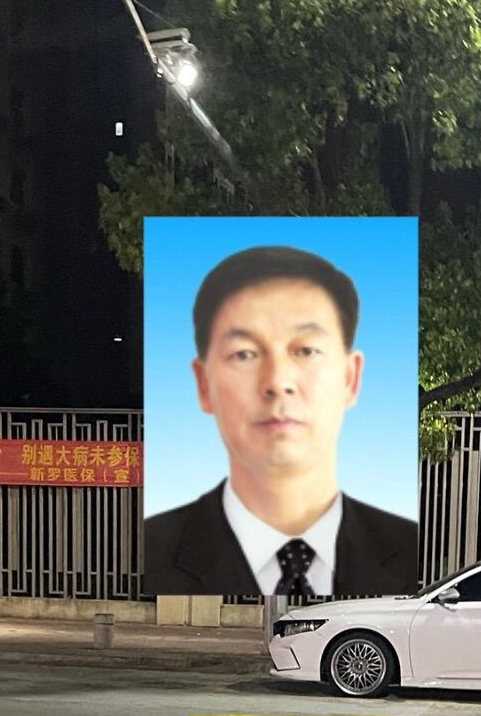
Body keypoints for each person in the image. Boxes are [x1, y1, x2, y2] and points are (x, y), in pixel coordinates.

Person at [143, 243, 418, 598]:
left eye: (307, 350)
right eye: (245, 354)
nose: (277, 381)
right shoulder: (158, 551)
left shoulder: (405, 548)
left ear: (350, 378)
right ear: (203, 384)